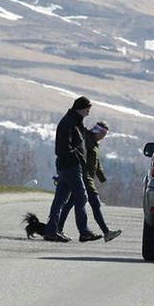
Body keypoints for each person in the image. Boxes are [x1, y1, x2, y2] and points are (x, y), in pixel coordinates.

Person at [45, 96, 92, 242]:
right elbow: (64, 147)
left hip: (66, 166)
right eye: (88, 109)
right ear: (82, 108)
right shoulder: (69, 123)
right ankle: (84, 232)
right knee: (81, 196)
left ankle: (52, 230)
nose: (89, 113)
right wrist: (77, 158)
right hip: (70, 166)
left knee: (60, 199)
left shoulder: (74, 121)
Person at [75, 121, 122, 242]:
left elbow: (96, 161)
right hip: (84, 176)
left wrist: (101, 176)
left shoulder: (94, 143)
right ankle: (106, 232)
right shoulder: (87, 140)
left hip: (87, 176)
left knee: (70, 203)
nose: (104, 136)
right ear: (98, 131)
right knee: (95, 204)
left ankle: (55, 228)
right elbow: (82, 156)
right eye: (103, 133)